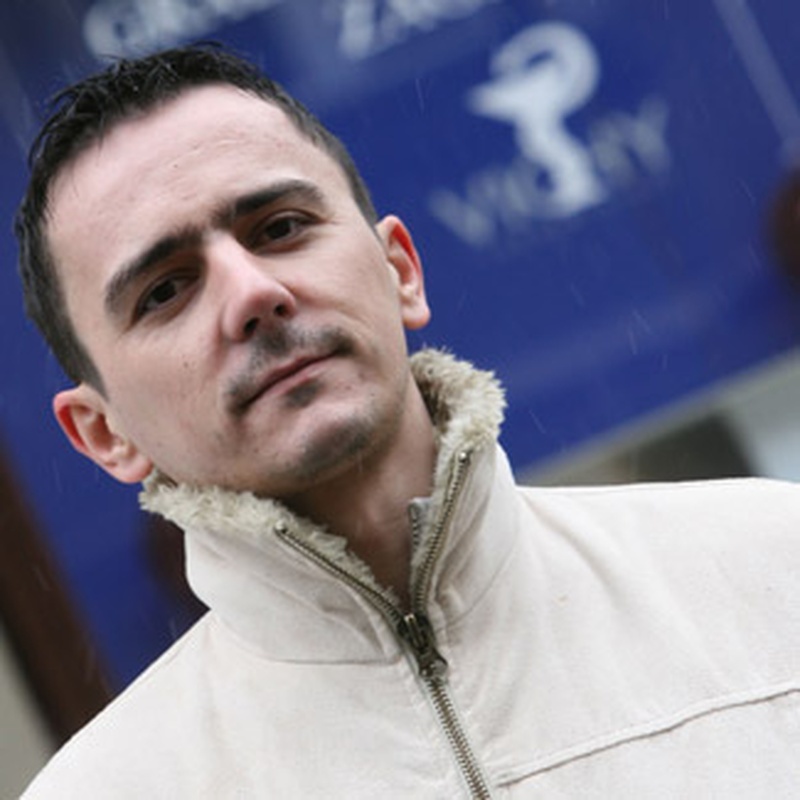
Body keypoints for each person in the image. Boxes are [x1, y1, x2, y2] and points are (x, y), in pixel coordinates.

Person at [14, 44, 800, 799]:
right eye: (164, 290)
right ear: (104, 434)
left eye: (280, 228)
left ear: (401, 272)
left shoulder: (769, 567)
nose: (252, 292)